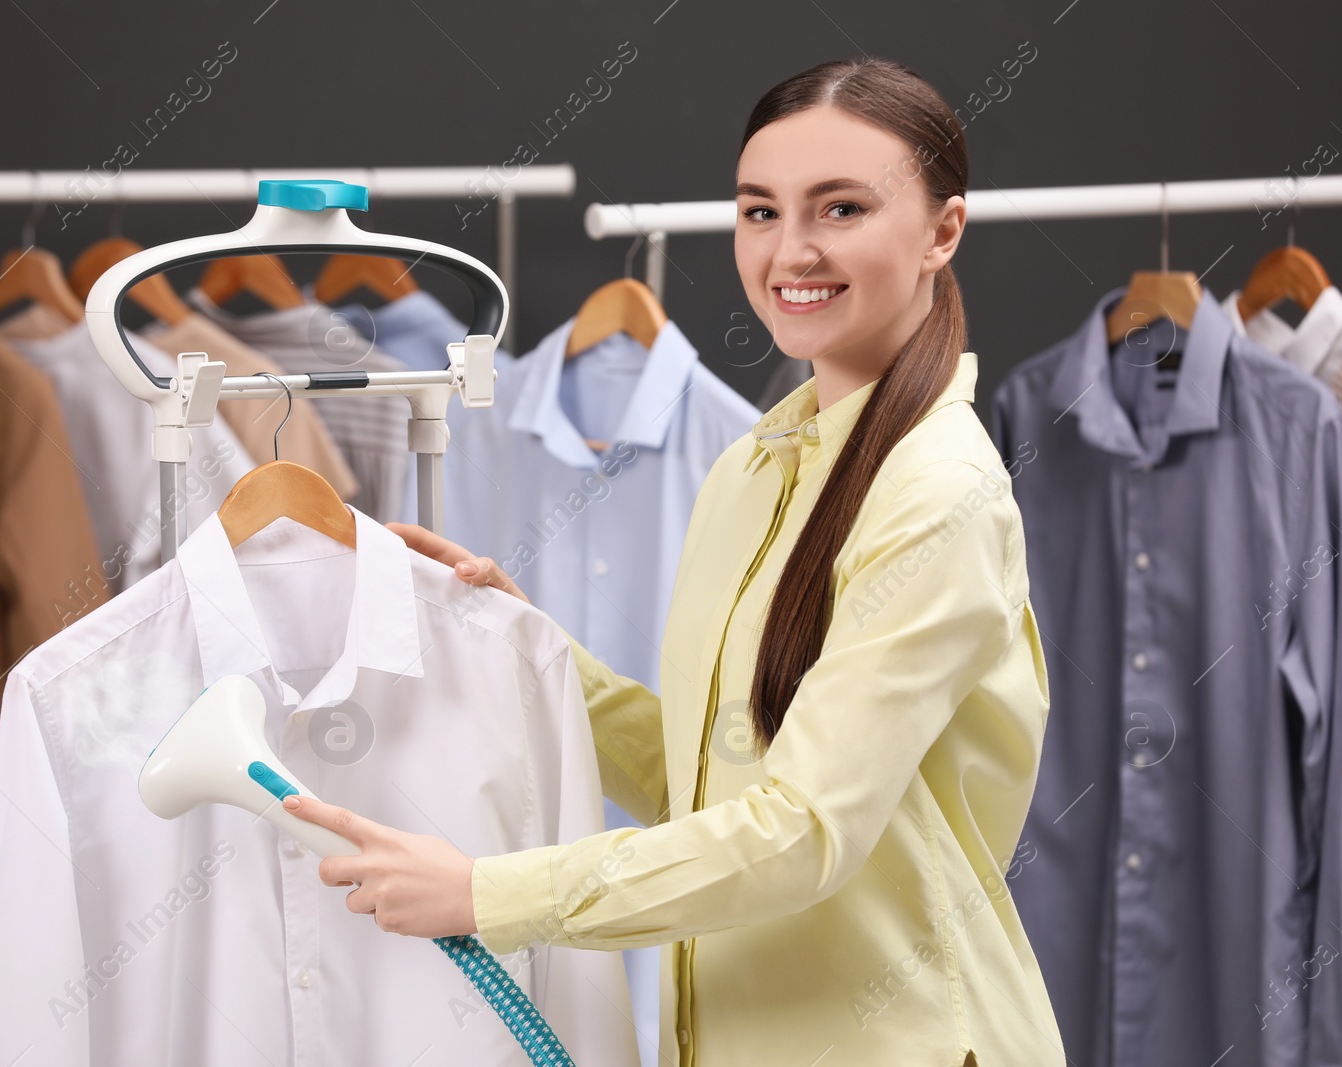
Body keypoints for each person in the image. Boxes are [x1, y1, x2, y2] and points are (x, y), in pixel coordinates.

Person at [281, 56, 1064, 1065]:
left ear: (941, 231)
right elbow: (712, 776)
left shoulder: (937, 492)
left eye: (839, 209)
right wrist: (526, 644)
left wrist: (487, 893)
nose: (790, 250)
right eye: (758, 211)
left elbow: (801, 830)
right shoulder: (752, 469)